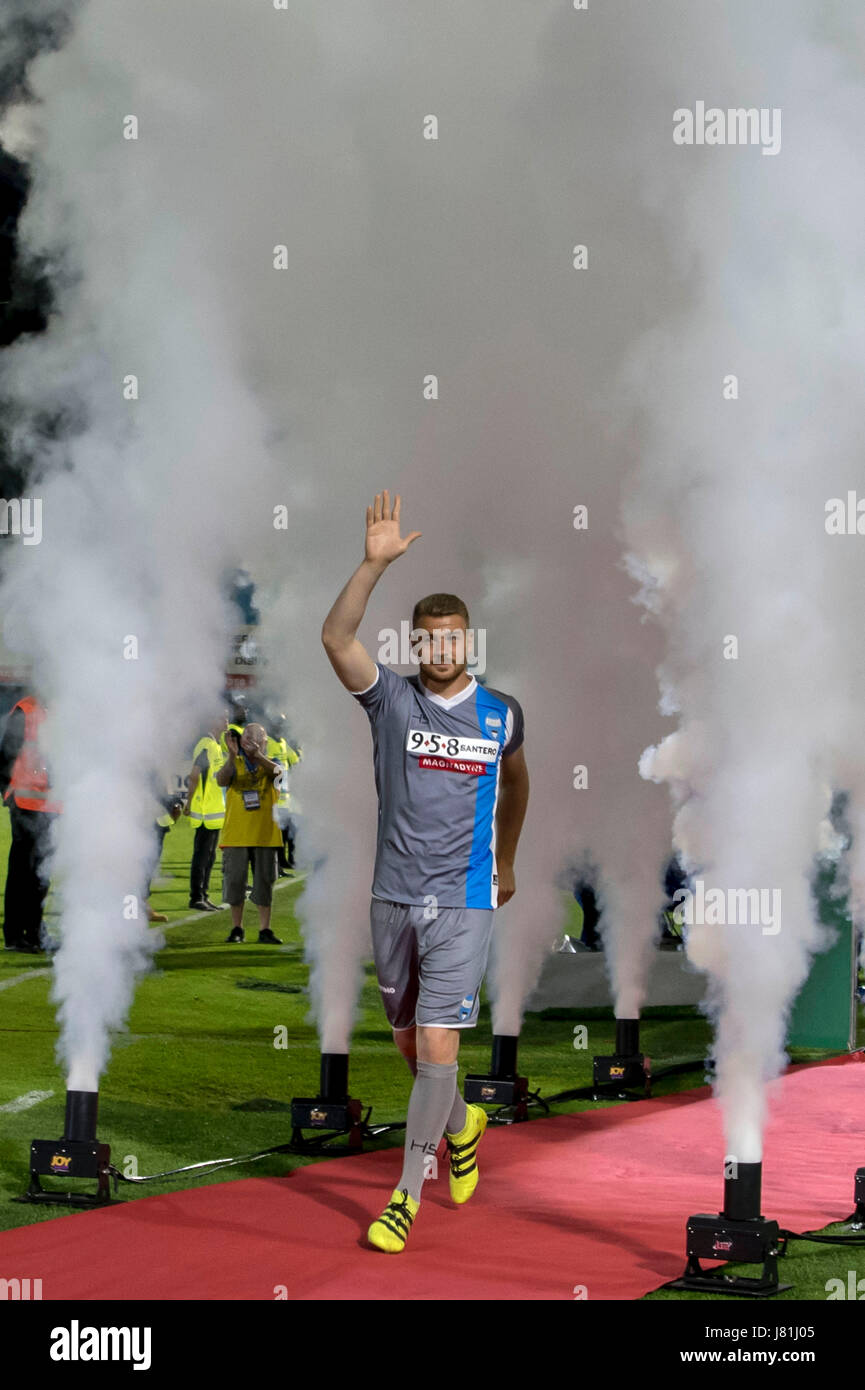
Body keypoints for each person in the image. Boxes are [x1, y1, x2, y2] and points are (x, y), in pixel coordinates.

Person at [321, 490, 529, 1253]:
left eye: (453, 638)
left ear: (468, 642)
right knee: (413, 1053)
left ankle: (405, 1194)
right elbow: (334, 636)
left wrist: (504, 857)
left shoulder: (501, 713)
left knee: (437, 1048)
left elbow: (519, 780)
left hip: (465, 903)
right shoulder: (391, 703)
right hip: (392, 898)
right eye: (429, 640)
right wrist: (372, 565)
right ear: (415, 646)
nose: (442, 649)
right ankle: (465, 1121)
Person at [0, 694, 62, 953]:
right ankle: (20, 934)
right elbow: (5, 753)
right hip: (26, 803)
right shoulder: (25, 711)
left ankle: (32, 931)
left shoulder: (63, 712)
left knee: (41, 874)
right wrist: (7, 791)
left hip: (52, 805)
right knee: (24, 872)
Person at [216, 722, 284, 944]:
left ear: (264, 742)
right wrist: (231, 756)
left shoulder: (273, 763)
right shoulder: (234, 763)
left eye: (255, 737)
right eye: (246, 737)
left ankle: (265, 929)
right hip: (236, 834)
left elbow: (279, 775)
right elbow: (221, 780)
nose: (249, 741)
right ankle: (237, 928)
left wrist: (258, 757)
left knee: (265, 883)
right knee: (235, 882)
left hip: (265, 836)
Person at [184, 712, 228, 910]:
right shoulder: (206, 745)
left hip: (213, 812)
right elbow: (194, 775)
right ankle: (196, 897)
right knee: (202, 855)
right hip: (204, 813)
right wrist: (189, 801)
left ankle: (203, 894)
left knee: (209, 856)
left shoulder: (216, 745)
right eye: (223, 717)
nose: (227, 720)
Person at [266, 713, 301, 875]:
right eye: (280, 724)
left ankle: (283, 862)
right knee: (277, 835)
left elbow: (294, 761)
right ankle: (278, 864)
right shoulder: (269, 744)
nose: (282, 728)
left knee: (286, 832)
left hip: (285, 798)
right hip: (274, 798)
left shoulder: (283, 743)